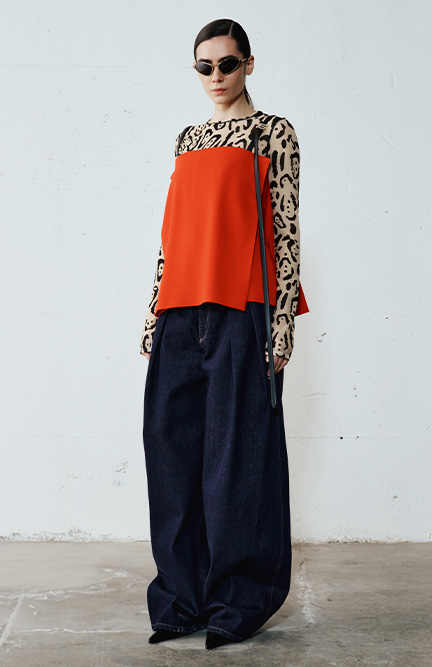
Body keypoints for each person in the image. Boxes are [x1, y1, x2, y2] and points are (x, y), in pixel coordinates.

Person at [139, 18, 307, 650]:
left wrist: (281, 322)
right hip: (180, 311)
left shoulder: (273, 133)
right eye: (204, 67)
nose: (216, 77)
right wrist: (153, 313)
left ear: (249, 64)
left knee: (237, 461)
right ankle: (181, 599)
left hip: (242, 310)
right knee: (171, 455)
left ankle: (238, 600)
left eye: (227, 64)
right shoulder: (188, 139)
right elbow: (172, 234)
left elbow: (285, 230)